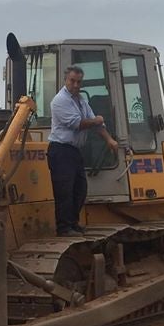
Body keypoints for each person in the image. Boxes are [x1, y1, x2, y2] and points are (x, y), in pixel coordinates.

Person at [47, 66, 119, 235]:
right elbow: (77, 124)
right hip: (61, 150)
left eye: (79, 82)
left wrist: (109, 139)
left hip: (74, 151)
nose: (76, 85)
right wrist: (97, 120)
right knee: (65, 190)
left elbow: (97, 123)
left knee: (80, 189)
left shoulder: (81, 101)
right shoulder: (60, 101)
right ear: (65, 80)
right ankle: (64, 227)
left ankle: (73, 223)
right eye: (72, 81)